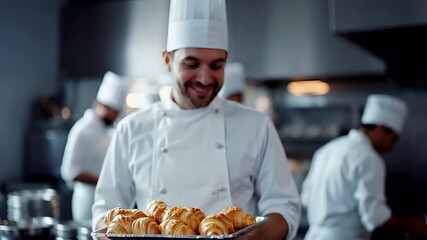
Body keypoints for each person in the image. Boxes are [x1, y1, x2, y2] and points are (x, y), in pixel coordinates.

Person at [92, 0, 301, 239]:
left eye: (216, 65)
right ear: (167, 61)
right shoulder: (131, 129)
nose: (205, 78)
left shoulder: (256, 126)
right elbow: (105, 212)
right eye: (191, 64)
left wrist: (258, 236)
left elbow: (285, 207)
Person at [301, 94, 427, 240]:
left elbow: (305, 198)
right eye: (393, 139)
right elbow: (375, 216)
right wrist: (411, 224)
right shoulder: (369, 158)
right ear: (380, 129)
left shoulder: (326, 150)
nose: (392, 147)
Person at [61, 71, 128, 221]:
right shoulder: (82, 130)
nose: (116, 116)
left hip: (106, 202)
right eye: (114, 112)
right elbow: (69, 171)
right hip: (86, 202)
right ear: (103, 105)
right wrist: (105, 180)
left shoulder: (106, 131)